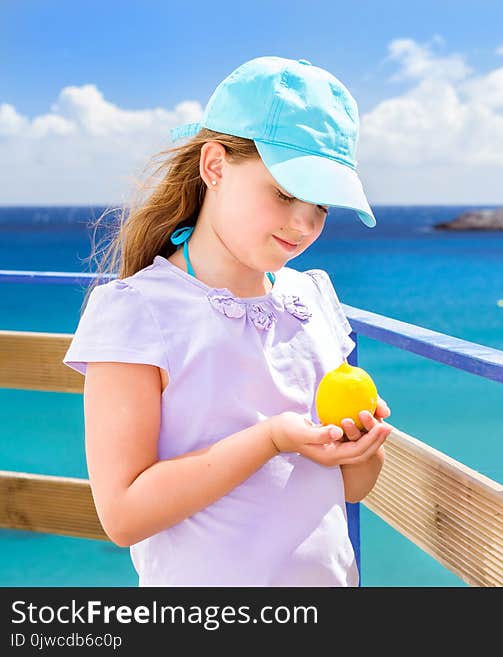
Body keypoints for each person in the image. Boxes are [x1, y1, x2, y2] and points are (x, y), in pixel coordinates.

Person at [62, 56, 392, 586]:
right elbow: (123, 515)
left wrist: (360, 447)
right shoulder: (138, 311)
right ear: (214, 167)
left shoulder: (312, 298)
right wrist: (270, 440)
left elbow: (350, 487)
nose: (305, 224)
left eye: (322, 206)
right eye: (284, 192)